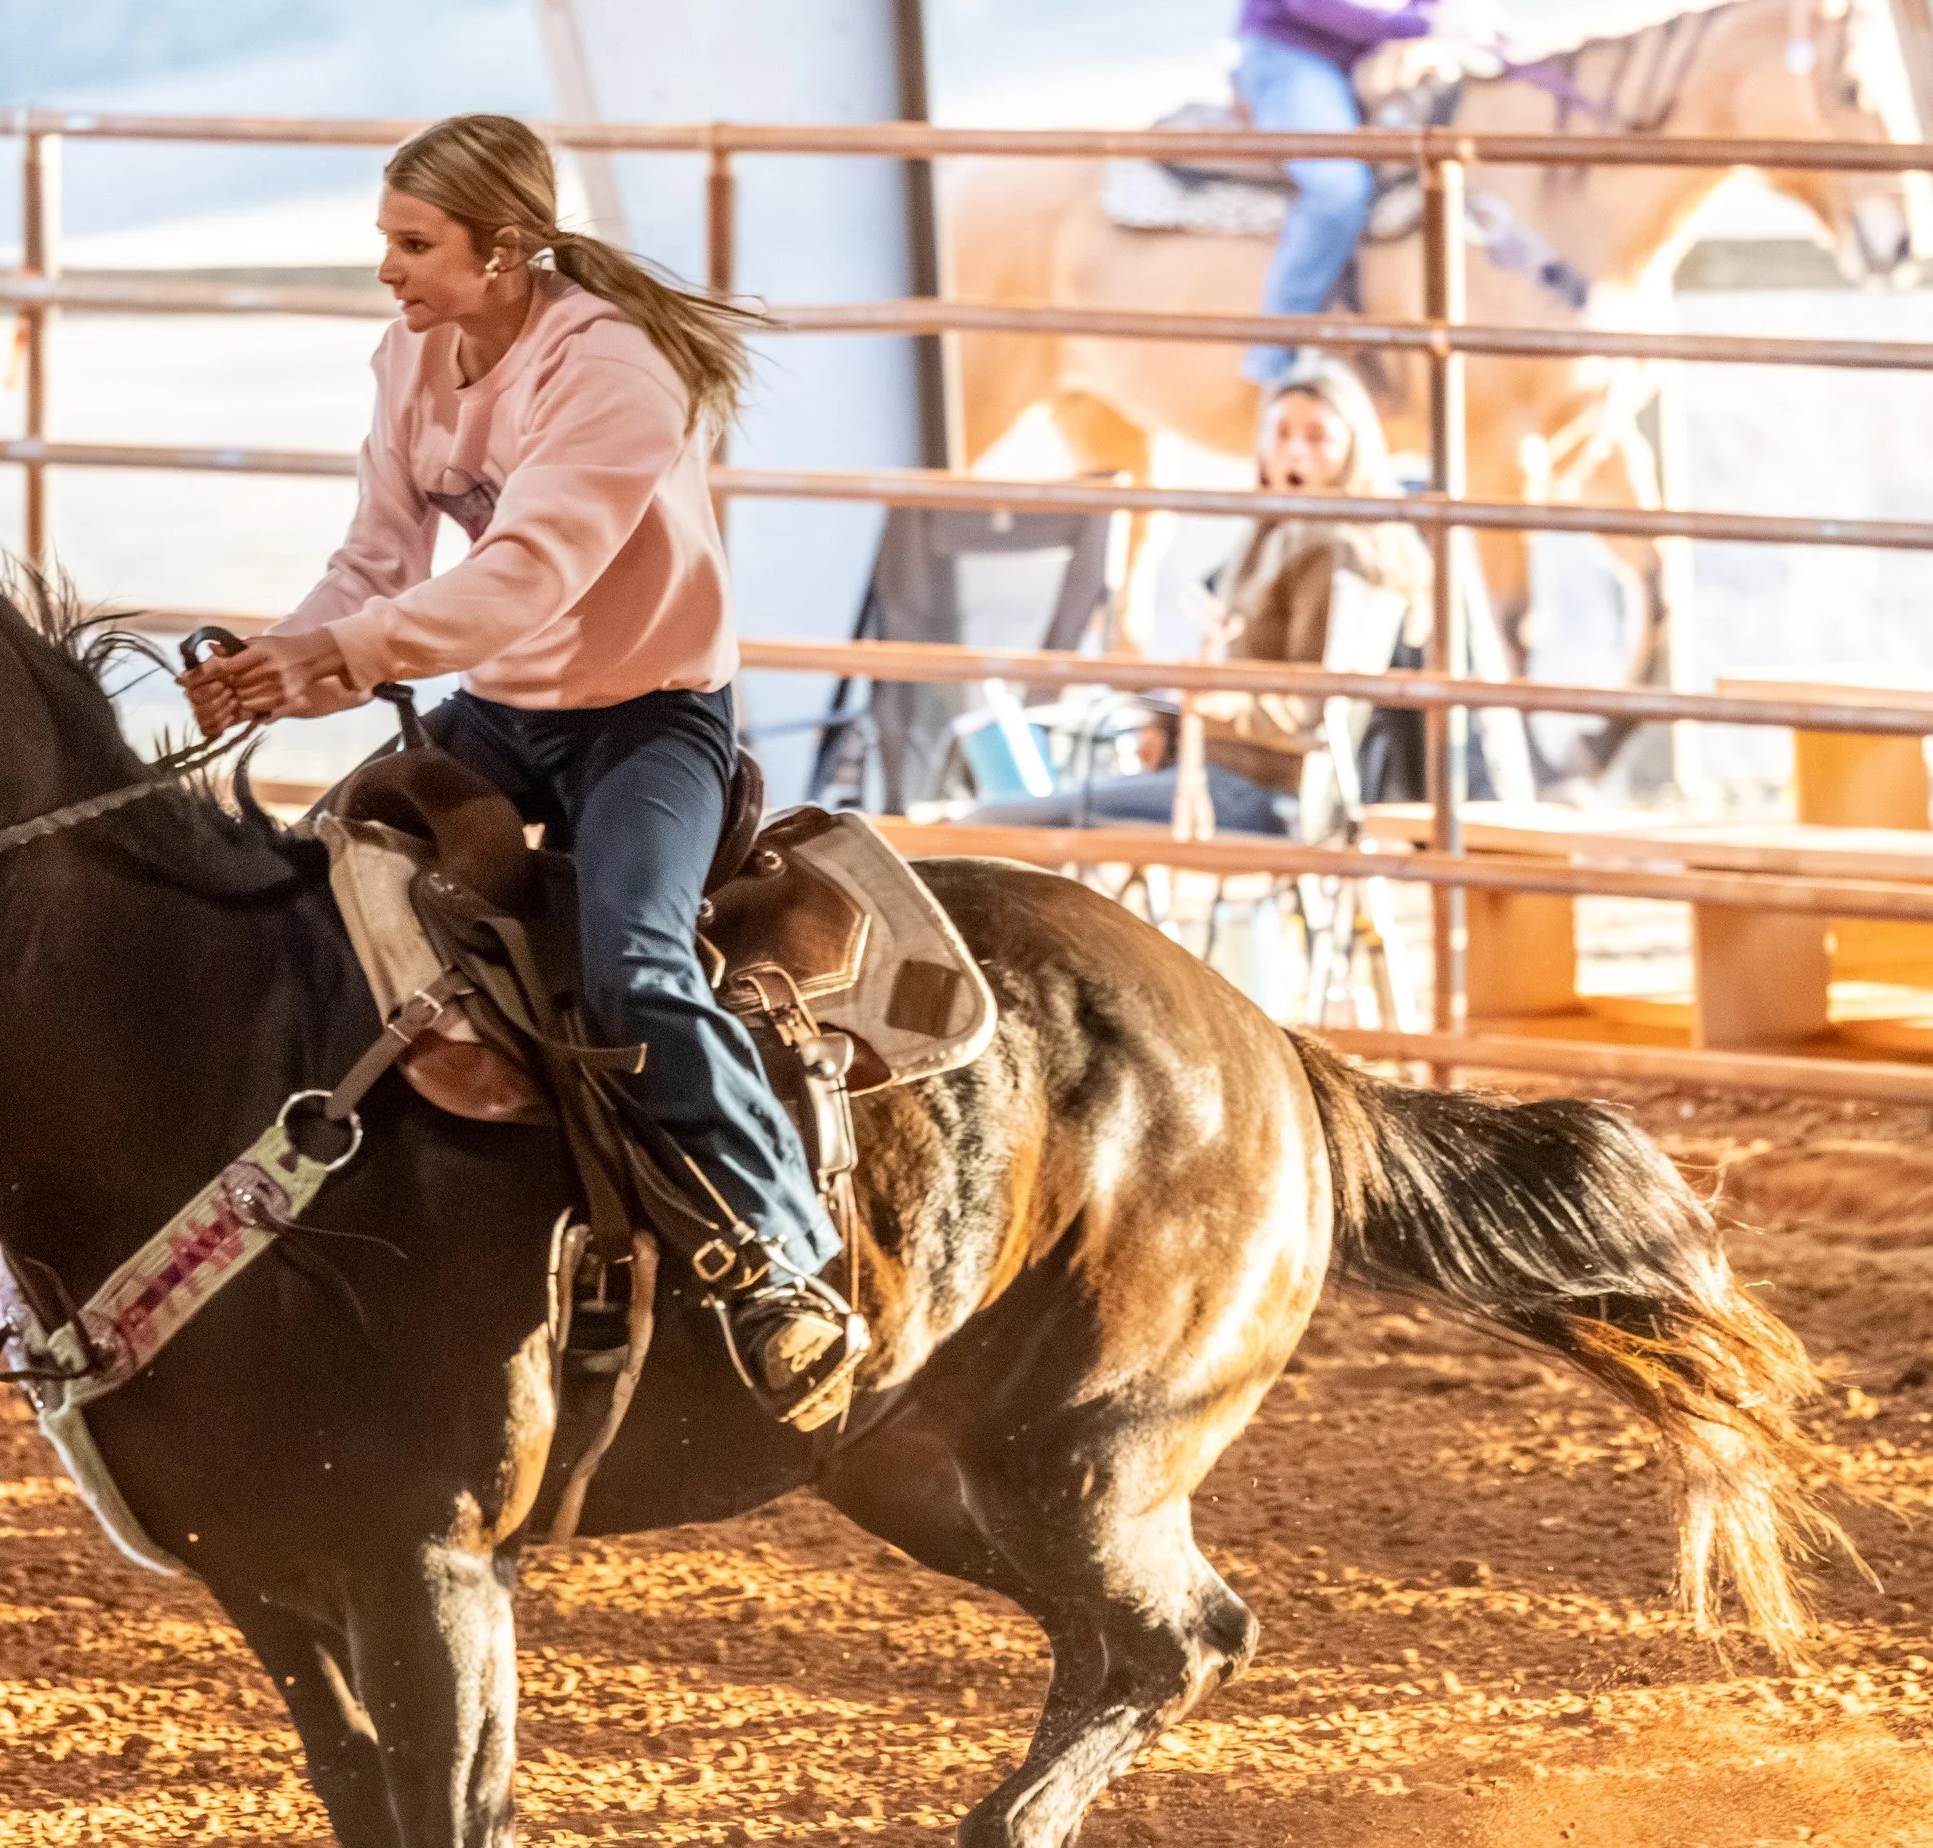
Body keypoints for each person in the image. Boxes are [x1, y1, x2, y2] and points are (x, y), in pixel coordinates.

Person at [178, 112, 862, 1426]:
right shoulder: (411, 355)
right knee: (318, 892)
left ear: (508, 251)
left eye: (412, 242)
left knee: (635, 965)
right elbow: (379, 558)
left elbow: (524, 576)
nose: (386, 268)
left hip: (648, 722)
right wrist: (287, 658)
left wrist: (337, 650)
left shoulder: (611, 371)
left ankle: (788, 1257)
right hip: (502, 708)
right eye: (386, 238)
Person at [972, 357, 1431, 834]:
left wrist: (1218, 702)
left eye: (1317, 438)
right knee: (1016, 805)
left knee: (995, 820)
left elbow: (1313, 710)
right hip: (1218, 773)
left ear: (1354, 451)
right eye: (1281, 434)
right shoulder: (1274, 535)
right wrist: (1172, 726)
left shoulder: (1331, 549)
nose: (1295, 452)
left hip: (1255, 789)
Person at [1235, 0, 1440, 387]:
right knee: (1337, 188)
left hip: (1368, 54)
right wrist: (1411, 25)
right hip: (1292, 53)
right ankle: (1278, 359)